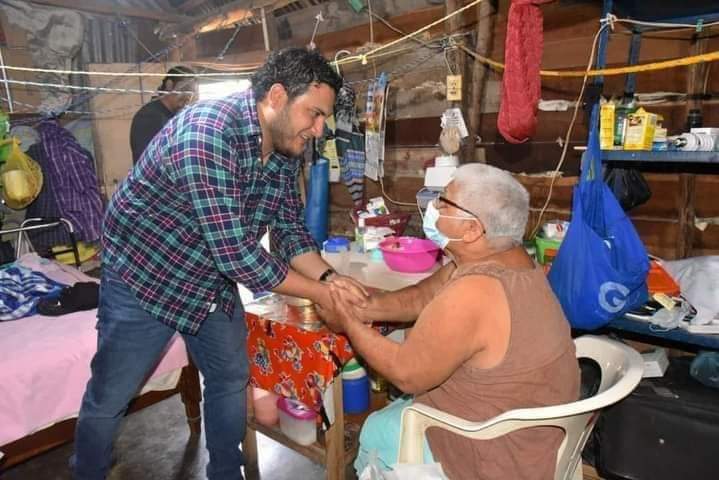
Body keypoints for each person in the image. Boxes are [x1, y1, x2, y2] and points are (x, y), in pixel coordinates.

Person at [72, 47, 367, 480]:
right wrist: (323, 295)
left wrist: (330, 278)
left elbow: (289, 230)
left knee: (230, 376)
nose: (319, 129)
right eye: (315, 114)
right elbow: (238, 256)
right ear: (278, 96)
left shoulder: (286, 147)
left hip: (208, 273)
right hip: (145, 273)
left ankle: (227, 473)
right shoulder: (207, 133)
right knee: (111, 394)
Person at [321, 163, 580, 480]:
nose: (433, 206)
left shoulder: (475, 291)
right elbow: (419, 296)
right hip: (534, 434)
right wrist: (364, 307)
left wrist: (349, 321)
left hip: (497, 454)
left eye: (443, 201)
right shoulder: (511, 259)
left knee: (376, 427)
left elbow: (405, 373)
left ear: (471, 229)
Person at [129, 65, 198, 164]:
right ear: (169, 85)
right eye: (185, 89)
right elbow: (148, 162)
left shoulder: (174, 117)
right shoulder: (149, 117)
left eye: (192, 92)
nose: (188, 96)